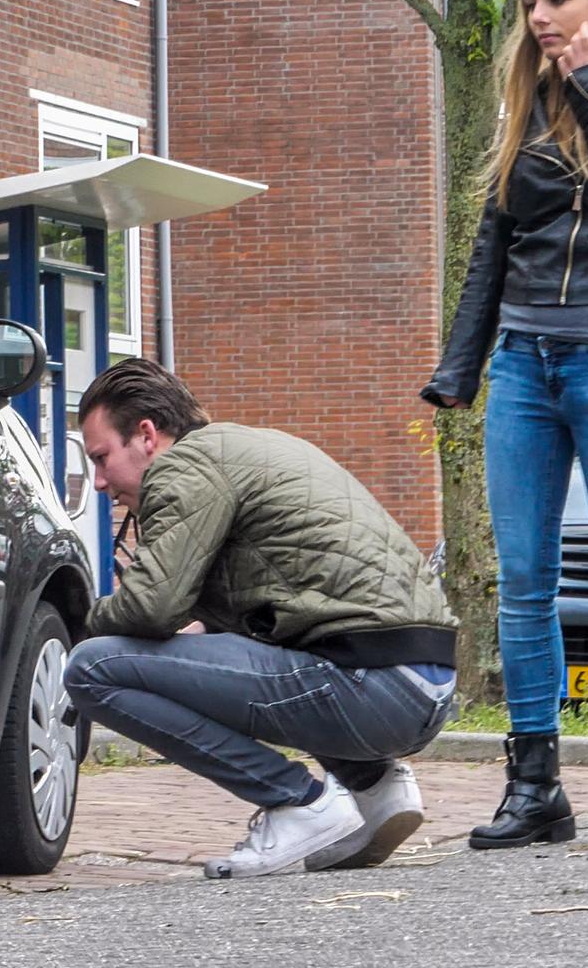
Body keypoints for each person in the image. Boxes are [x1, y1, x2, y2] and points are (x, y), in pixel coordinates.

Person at [62, 359, 458, 880]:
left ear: (147, 436)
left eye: (101, 458)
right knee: (234, 655)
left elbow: (151, 608)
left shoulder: (185, 468)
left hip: (373, 685)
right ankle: (374, 788)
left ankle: (299, 804)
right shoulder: (251, 448)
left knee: (92, 667)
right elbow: (267, 608)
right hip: (423, 685)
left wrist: (83, 620)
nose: (97, 481)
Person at [424, 0, 588, 849]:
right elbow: (491, 249)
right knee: (523, 584)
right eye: (530, 3)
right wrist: (460, 368)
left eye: (556, 1)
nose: (539, 19)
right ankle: (535, 785)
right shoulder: (524, 107)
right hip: (524, 365)